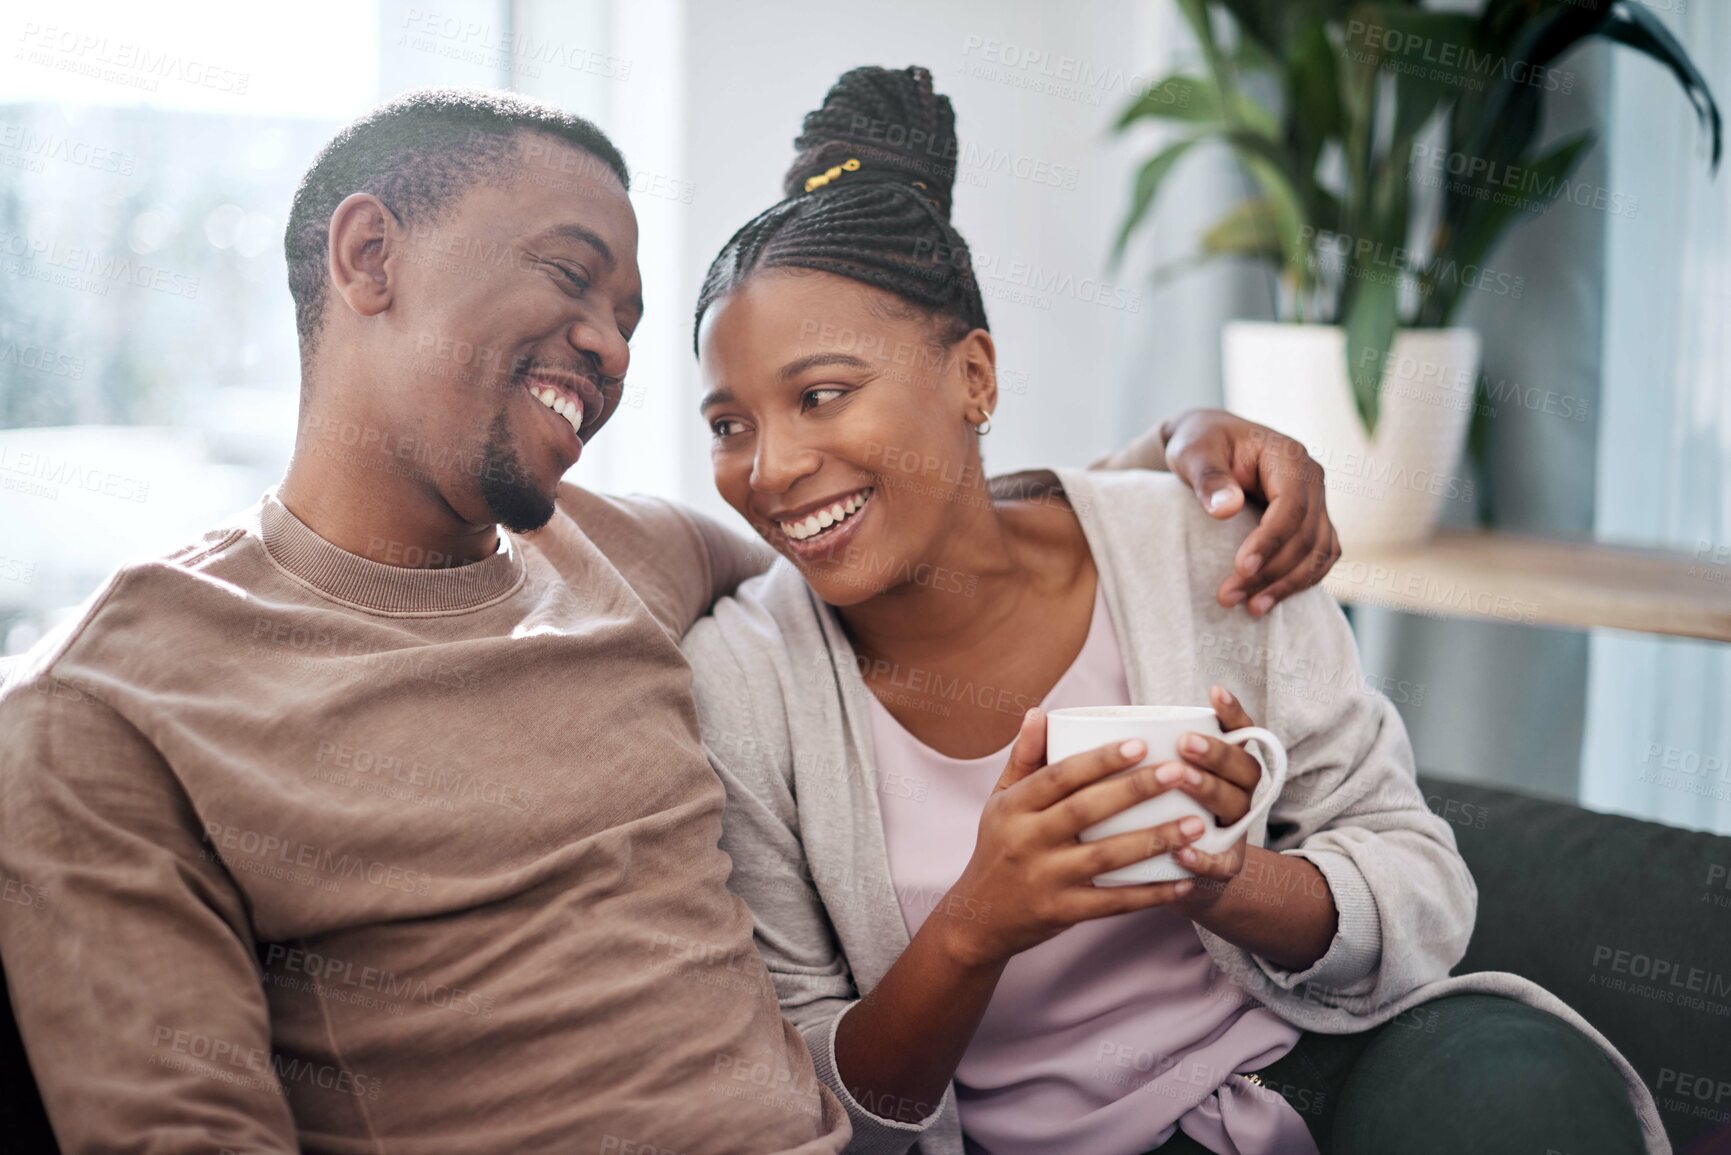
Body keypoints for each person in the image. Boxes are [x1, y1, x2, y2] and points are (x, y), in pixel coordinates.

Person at [0, 89, 1340, 1154]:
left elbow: (907, 532)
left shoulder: (616, 552)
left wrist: (1176, 459)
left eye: (627, 319)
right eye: (572, 277)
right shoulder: (109, 709)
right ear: (369, 255)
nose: (608, 346)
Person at [680, 66, 1663, 1155]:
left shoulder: (1196, 541)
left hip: (1306, 1072)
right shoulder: (743, 682)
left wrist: (1230, 877)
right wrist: (973, 927)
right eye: (729, 424)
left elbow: (1418, 884)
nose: (771, 468)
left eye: (821, 395)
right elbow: (810, 1100)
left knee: (1520, 1095)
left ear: (975, 378)